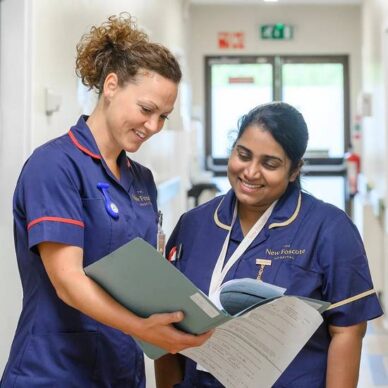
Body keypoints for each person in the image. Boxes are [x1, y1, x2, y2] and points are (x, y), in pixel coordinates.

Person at [1, 13, 211, 387]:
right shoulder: (55, 165)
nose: (153, 127)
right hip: (53, 370)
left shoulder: (141, 180)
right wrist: (145, 329)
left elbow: (142, 277)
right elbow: (68, 282)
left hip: (119, 370)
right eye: (146, 110)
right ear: (111, 86)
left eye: (163, 116)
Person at [155, 102, 383, 388]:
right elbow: (164, 321)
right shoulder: (194, 225)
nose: (250, 172)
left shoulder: (329, 229)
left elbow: (347, 331)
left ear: (294, 170)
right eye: (243, 155)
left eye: (269, 164)